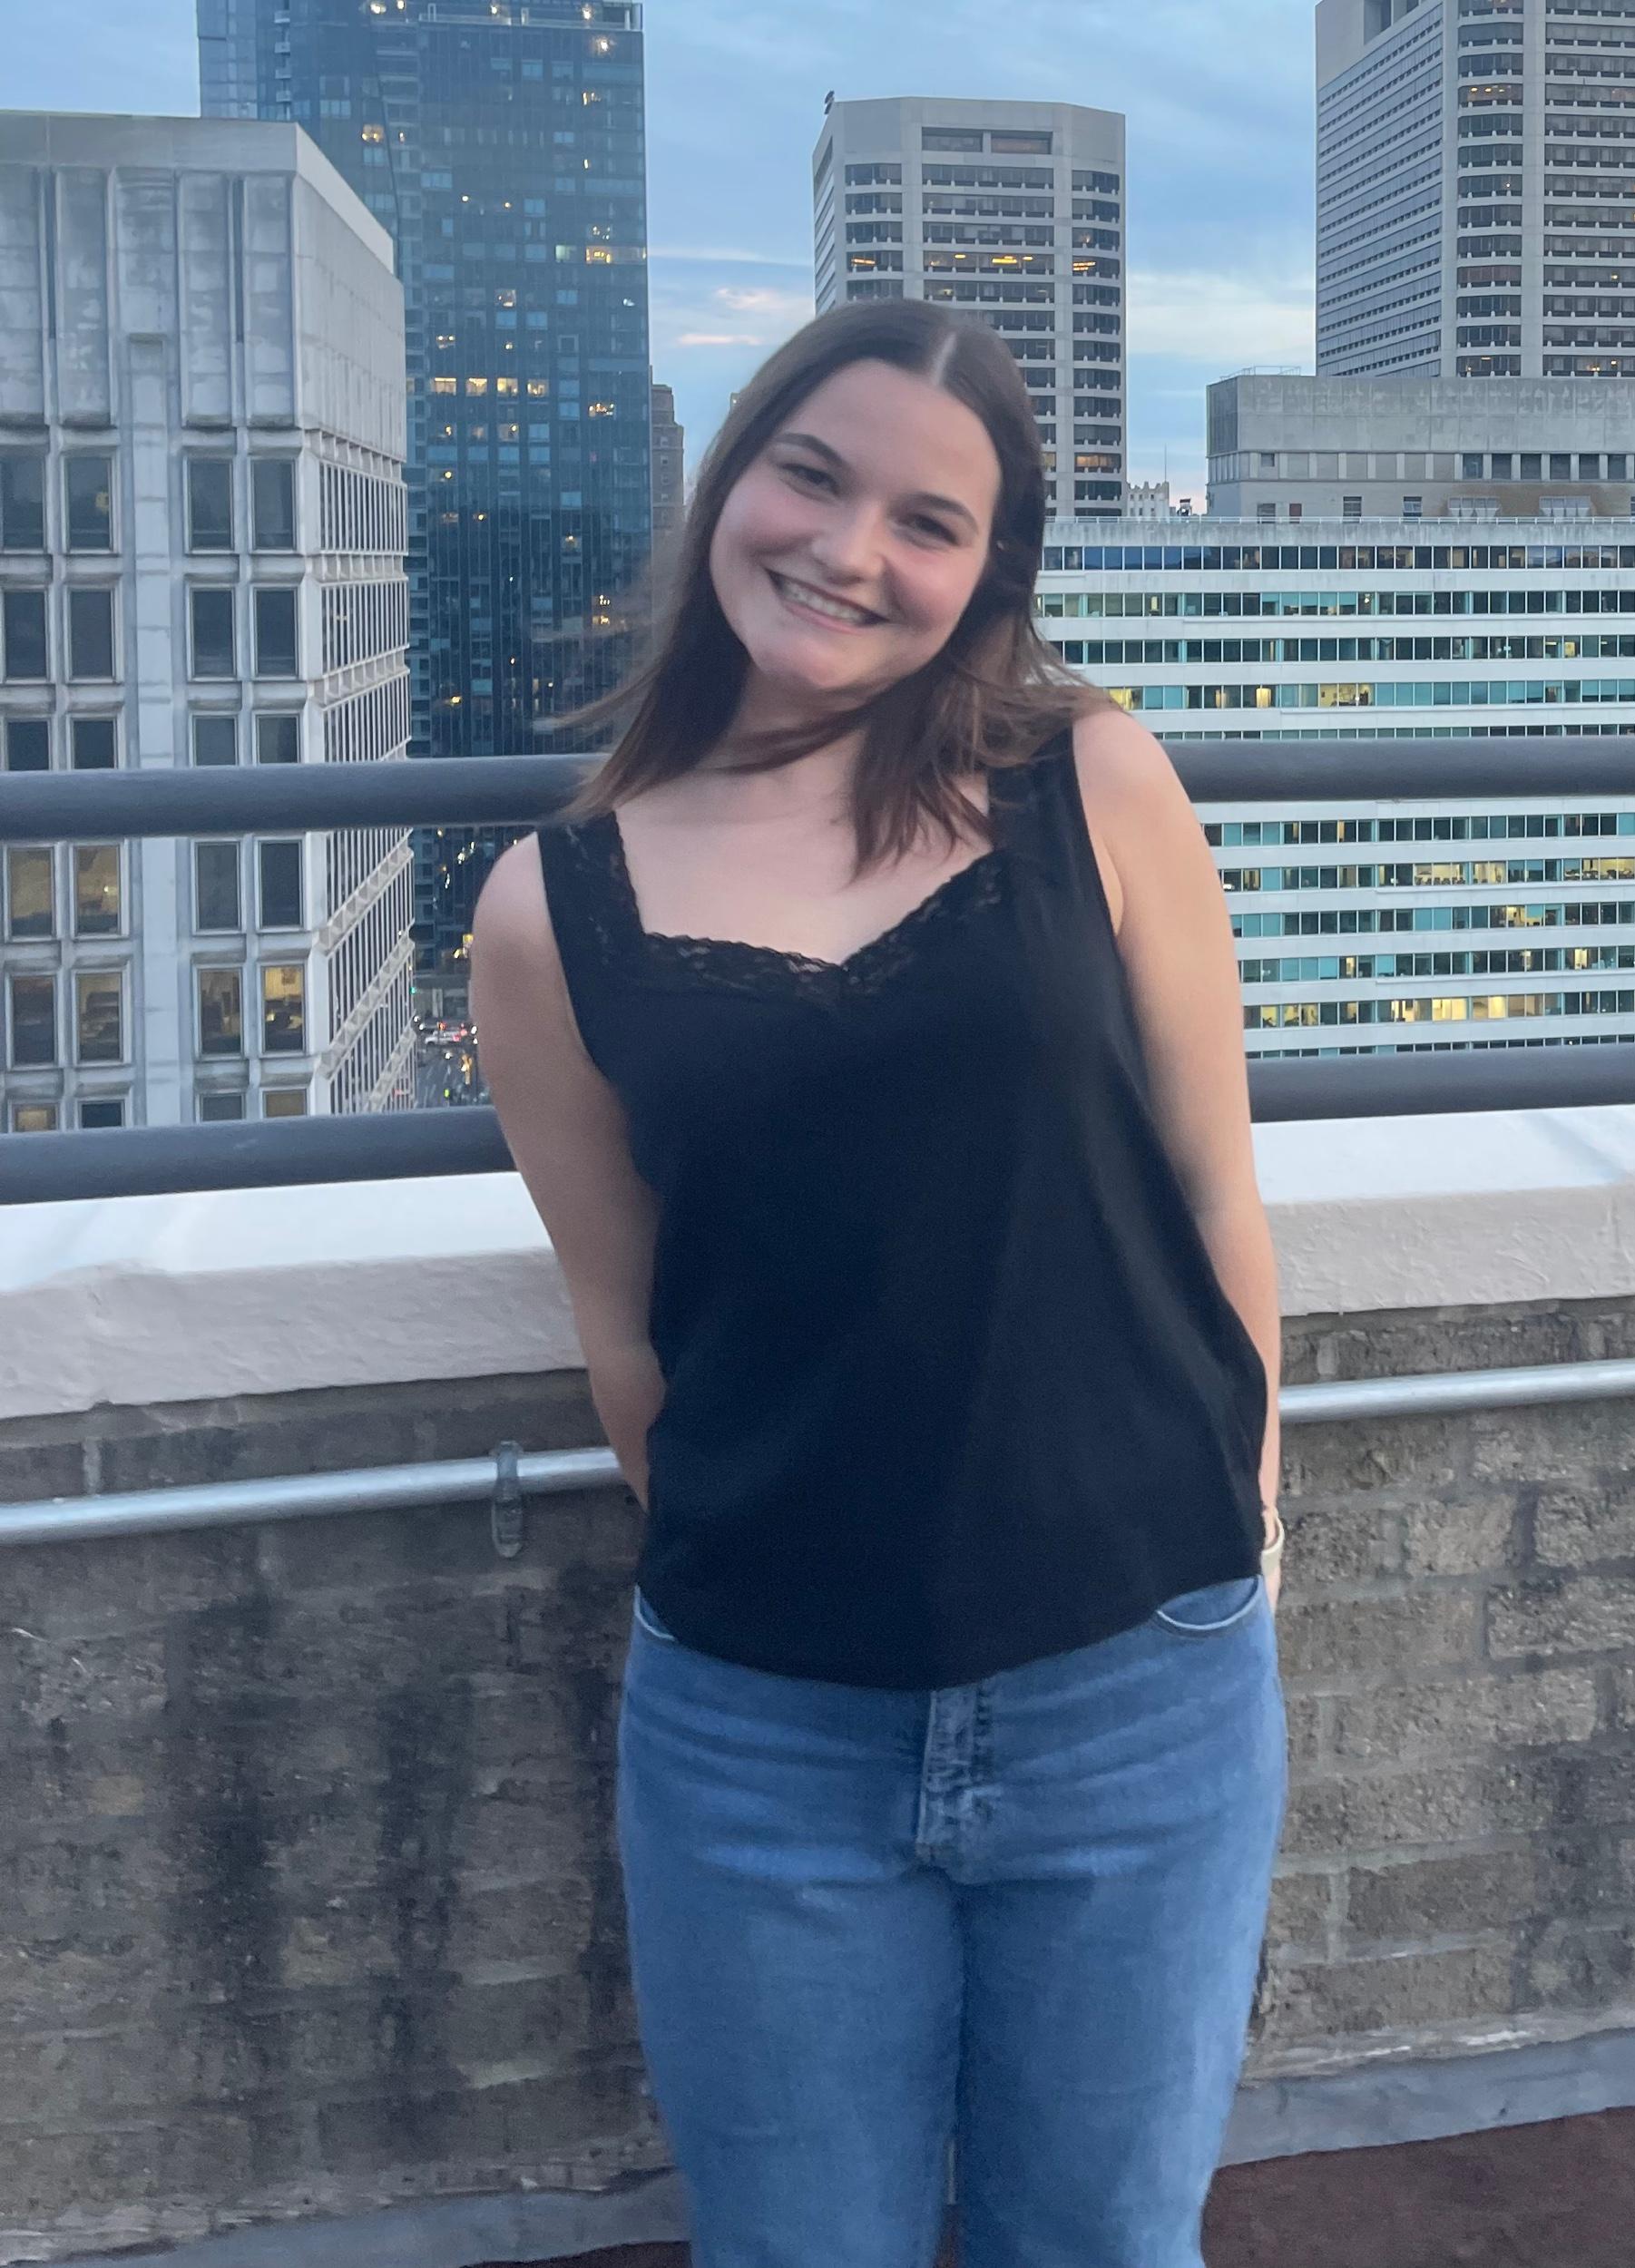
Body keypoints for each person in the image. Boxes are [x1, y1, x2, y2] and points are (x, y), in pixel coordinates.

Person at [469, 298, 1288, 2267]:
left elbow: (1215, 1189)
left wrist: (1250, 1521)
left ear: (987, 575)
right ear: (727, 481)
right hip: (759, 1730)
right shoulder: (547, 914)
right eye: (812, 478)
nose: (849, 551)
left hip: (1139, 1680)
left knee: (1103, 2244)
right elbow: (627, 1337)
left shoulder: (1095, 784)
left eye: (928, 522)